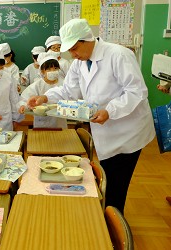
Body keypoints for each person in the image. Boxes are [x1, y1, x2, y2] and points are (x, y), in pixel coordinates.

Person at [28, 19, 155, 214]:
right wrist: (45, 96)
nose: (72, 54)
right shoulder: (80, 62)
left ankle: (113, 225)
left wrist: (110, 111)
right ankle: (107, 215)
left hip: (128, 132)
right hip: (104, 129)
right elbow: (69, 89)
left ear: (87, 39)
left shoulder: (119, 55)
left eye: (75, 48)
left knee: (117, 183)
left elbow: (136, 91)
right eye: (69, 50)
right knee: (106, 177)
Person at [19, 52, 67, 129]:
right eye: (48, 69)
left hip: (60, 122)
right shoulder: (37, 85)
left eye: (55, 68)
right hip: (41, 122)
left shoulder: (64, 83)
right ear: (42, 71)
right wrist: (23, 106)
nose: (53, 71)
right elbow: (25, 99)